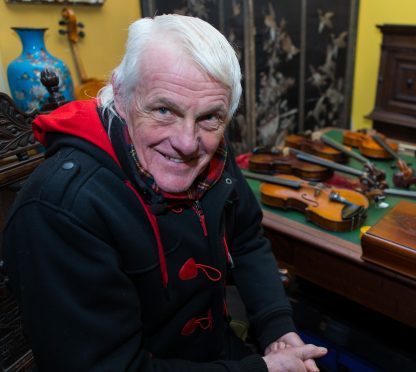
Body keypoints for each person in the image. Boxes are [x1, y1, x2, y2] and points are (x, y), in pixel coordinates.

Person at [3, 15, 327, 371]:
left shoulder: (211, 151)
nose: (187, 143)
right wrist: (264, 368)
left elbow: (247, 238)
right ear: (122, 96)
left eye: (209, 118)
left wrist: (277, 326)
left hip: (215, 350)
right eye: (163, 110)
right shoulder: (61, 208)